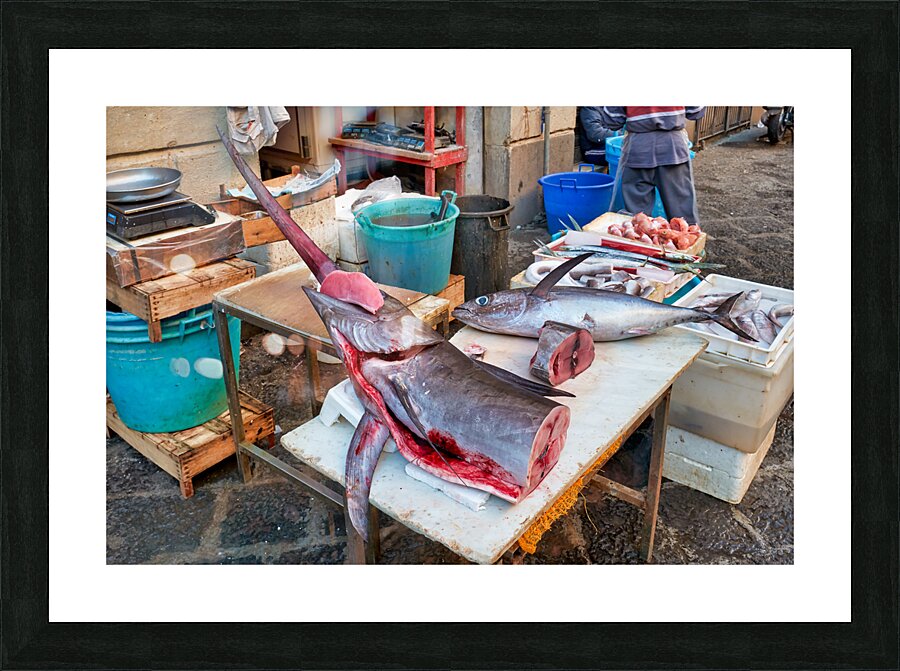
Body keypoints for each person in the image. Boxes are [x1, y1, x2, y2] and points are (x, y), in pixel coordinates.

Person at [599, 106, 705, 223]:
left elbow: (613, 120)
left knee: (638, 223)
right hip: (673, 149)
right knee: (684, 219)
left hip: (638, 150)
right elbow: (696, 112)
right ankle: (689, 239)